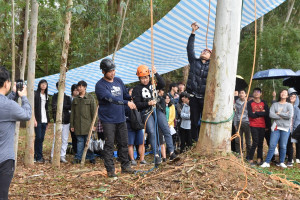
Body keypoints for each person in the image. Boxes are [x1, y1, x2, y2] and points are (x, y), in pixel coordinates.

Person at [95, 58, 136, 177]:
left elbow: (125, 95)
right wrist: (126, 102)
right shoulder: (100, 85)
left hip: (121, 118)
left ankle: (125, 166)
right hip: (108, 120)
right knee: (109, 145)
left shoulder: (118, 81)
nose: (112, 73)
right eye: (109, 71)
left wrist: (132, 99)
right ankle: (110, 170)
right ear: (103, 71)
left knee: (124, 143)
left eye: (114, 70)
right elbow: (110, 98)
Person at [132, 65, 177, 165]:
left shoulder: (153, 83)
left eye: (146, 77)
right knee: (152, 132)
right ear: (139, 78)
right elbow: (137, 104)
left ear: (149, 76)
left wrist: (155, 73)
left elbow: (162, 83)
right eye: (142, 78)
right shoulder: (137, 89)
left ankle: (172, 152)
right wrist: (147, 103)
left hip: (157, 109)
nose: (145, 80)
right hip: (146, 112)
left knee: (165, 128)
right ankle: (156, 155)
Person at [0, 66, 31, 200]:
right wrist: (23, 97)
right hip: (4, 159)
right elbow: (27, 115)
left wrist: (12, 94)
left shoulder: (7, 104)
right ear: (6, 83)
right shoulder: (8, 106)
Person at [186, 22, 212, 143]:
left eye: (207, 51)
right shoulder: (194, 62)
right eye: (203, 50)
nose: (204, 52)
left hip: (205, 98)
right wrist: (193, 32)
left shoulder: (213, 67)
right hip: (194, 97)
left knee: (206, 120)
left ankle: (205, 141)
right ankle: (193, 142)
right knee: (194, 120)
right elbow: (189, 48)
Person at [261, 89, 293, 168]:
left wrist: (279, 113)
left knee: (283, 145)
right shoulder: (275, 104)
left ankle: (281, 161)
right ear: (280, 94)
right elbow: (271, 114)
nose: (283, 94)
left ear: (287, 96)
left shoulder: (289, 105)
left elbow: (290, 116)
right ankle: (267, 162)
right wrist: (283, 115)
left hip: (285, 128)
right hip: (276, 127)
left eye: (285, 93)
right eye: (282, 92)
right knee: (272, 144)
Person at [70, 81, 97, 164]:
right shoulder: (75, 99)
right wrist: (72, 125)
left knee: (89, 141)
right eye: (78, 86)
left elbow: (94, 112)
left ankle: (91, 157)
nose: (79, 88)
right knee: (79, 141)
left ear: (85, 87)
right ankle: (78, 157)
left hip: (88, 124)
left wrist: (94, 124)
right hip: (78, 124)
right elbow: (73, 113)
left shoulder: (90, 98)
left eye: (81, 86)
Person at [247, 88, 269, 166]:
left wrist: (256, 113)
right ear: (253, 94)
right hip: (253, 125)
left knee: (260, 142)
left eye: (258, 92)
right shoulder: (250, 103)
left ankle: (260, 159)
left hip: (262, 125)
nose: (256, 93)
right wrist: (260, 112)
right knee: (255, 141)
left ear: (261, 94)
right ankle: (250, 159)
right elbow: (250, 115)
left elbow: (266, 113)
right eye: (255, 92)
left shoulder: (264, 103)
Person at [51, 82, 72, 163]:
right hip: (57, 121)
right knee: (56, 139)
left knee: (65, 139)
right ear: (57, 88)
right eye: (59, 86)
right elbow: (54, 107)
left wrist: (61, 105)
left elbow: (70, 106)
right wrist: (63, 106)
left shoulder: (67, 97)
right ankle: (53, 156)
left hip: (66, 120)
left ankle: (62, 155)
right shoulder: (55, 96)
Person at [125, 87, 147, 165]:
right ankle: (132, 159)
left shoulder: (138, 101)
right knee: (130, 143)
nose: (132, 93)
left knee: (141, 142)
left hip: (139, 124)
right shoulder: (125, 103)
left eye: (133, 91)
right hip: (129, 125)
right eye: (131, 91)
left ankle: (142, 159)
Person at [34, 79, 50, 163]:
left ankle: (39, 156)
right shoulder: (36, 94)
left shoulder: (46, 96)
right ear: (39, 85)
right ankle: (36, 156)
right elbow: (33, 107)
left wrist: (48, 121)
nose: (44, 85)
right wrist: (34, 119)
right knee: (38, 137)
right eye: (42, 84)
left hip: (44, 119)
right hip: (38, 119)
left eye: (45, 84)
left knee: (42, 138)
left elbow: (46, 109)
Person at [233, 89, 251, 159]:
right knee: (238, 139)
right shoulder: (236, 103)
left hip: (247, 123)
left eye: (243, 93)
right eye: (240, 93)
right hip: (238, 122)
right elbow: (235, 114)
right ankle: (239, 153)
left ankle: (249, 155)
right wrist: (235, 123)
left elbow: (250, 114)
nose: (241, 94)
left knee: (248, 140)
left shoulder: (248, 103)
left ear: (245, 94)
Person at [287, 88, 300, 165]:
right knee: (289, 144)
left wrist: (294, 129)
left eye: (294, 97)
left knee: (297, 142)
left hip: (295, 128)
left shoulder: (297, 108)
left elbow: (298, 120)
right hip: (287, 127)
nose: (292, 98)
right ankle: (290, 158)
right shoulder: (287, 106)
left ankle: (298, 157)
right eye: (291, 96)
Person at [70, 84, 79, 154]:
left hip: (78, 120)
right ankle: (75, 149)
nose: (76, 92)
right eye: (75, 90)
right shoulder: (69, 98)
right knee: (73, 136)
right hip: (71, 119)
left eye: (77, 90)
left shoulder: (80, 99)